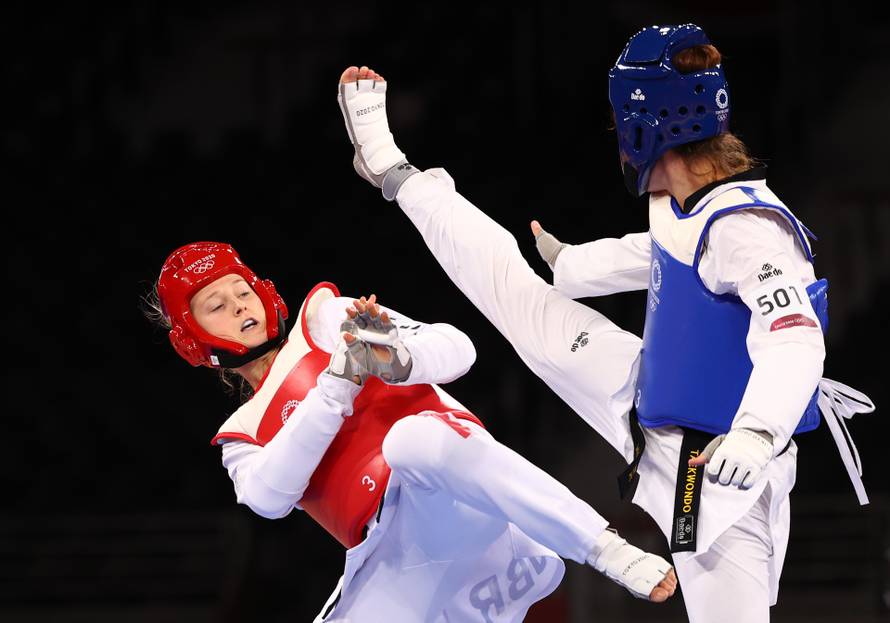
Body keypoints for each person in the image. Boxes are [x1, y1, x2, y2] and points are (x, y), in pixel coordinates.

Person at [336, 24, 875, 623]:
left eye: (623, 122)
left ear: (650, 125)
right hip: (638, 389)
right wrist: (574, 266)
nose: (619, 138)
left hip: (717, 470)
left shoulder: (748, 230)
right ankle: (391, 169)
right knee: (514, 294)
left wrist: (756, 433)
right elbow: (662, 251)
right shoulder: (687, 200)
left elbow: (796, 338)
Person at [148, 241, 677, 622]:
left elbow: (460, 348)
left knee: (410, 441)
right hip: (397, 561)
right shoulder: (240, 435)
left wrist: (401, 358)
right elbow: (268, 498)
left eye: (242, 291)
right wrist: (336, 386)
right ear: (193, 339)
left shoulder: (327, 319)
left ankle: (605, 548)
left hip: (451, 494)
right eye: (215, 305)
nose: (240, 306)